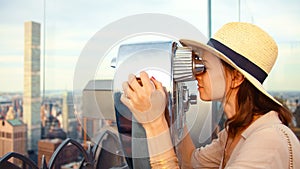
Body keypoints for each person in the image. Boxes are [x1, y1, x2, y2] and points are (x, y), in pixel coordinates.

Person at [121, 22, 300, 168]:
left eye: (204, 66)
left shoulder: (268, 141)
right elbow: (191, 162)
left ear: (236, 77)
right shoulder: (234, 132)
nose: (196, 74)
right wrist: (170, 114)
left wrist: (154, 123)